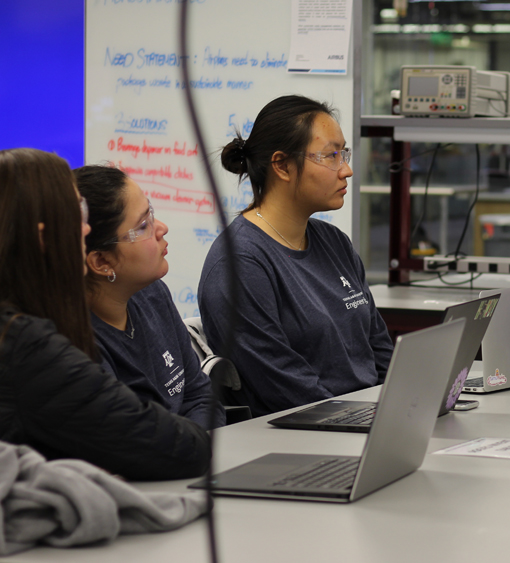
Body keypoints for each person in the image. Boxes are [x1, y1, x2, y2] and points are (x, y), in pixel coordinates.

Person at [0, 148, 210, 481]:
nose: (83, 229)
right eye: (73, 216)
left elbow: (200, 396)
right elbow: (169, 447)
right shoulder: (28, 344)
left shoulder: (150, 294)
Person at [199, 95, 394, 417]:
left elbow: (379, 350)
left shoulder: (334, 242)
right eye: (331, 156)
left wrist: (405, 406)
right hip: (307, 433)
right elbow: (287, 390)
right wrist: (367, 421)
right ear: (282, 166)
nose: (346, 170)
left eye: (343, 153)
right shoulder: (240, 264)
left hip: (370, 419)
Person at [75, 165, 225, 430]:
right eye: (143, 225)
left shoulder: (151, 293)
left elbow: (200, 397)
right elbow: (123, 444)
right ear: (101, 261)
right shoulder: (77, 342)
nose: (162, 228)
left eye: (152, 213)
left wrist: (198, 448)